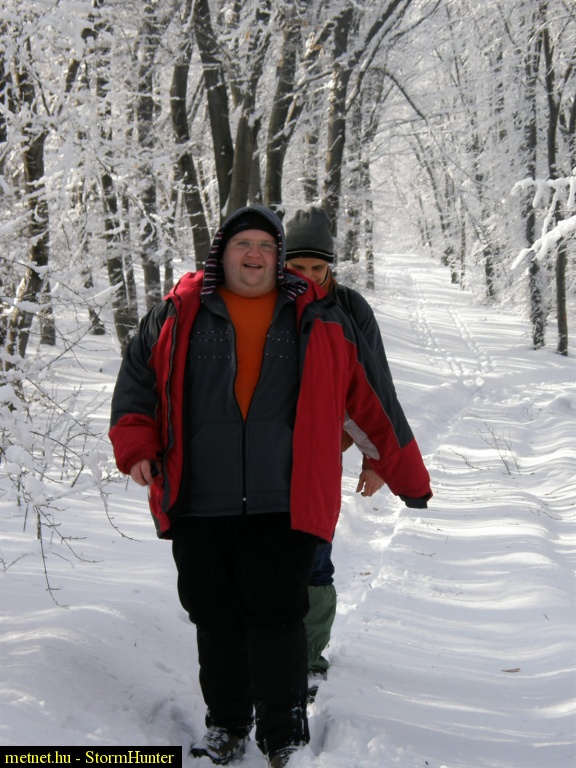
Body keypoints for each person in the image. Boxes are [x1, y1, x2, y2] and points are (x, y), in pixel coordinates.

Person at [109, 205, 432, 768]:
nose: (254, 254)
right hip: (199, 497)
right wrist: (137, 447)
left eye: (265, 245)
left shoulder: (318, 317)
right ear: (222, 252)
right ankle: (228, 724)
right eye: (243, 244)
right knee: (216, 618)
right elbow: (136, 380)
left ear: (278, 256)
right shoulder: (176, 312)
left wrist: (399, 468)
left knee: (277, 615)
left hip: (285, 498)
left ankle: (284, 734)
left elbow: (370, 396)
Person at [284, 206, 388, 692]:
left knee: (314, 554)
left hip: (321, 456)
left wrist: (376, 457)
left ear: (330, 266)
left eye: (316, 267)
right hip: (259, 456)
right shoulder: (266, 301)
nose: (306, 276)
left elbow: (375, 388)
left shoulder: (350, 308)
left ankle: (307, 658)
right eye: (296, 266)